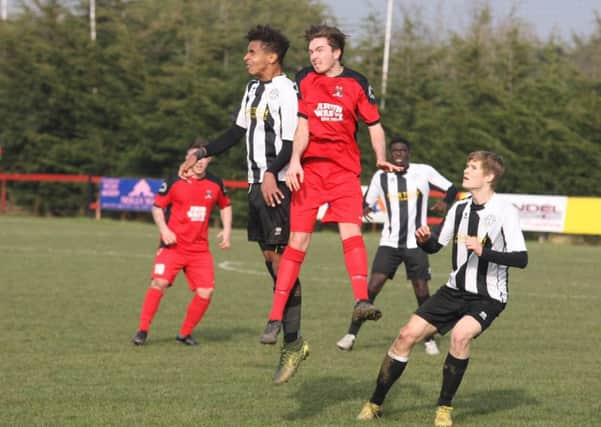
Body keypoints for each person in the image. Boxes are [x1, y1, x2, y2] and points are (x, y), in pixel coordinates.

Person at [261, 24, 402, 385]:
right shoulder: (305, 78)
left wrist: (381, 158)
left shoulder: (356, 83)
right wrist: (294, 161)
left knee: (350, 233)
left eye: (320, 50)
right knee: (298, 243)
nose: (314, 56)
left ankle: (360, 301)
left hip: (343, 174)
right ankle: (275, 317)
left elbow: (374, 126)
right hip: (310, 172)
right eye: (311, 51)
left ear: (337, 52)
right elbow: (303, 124)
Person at [356, 151, 528, 426]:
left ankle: (444, 409)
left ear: (489, 176)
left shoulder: (504, 211)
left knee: (460, 336)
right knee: (405, 336)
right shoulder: (459, 207)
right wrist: (424, 241)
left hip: (488, 296)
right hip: (453, 290)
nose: (466, 170)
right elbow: (437, 246)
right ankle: (375, 403)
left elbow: (522, 258)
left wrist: (485, 252)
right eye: (466, 165)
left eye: (473, 167)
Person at [179, 26, 304, 351]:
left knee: (280, 256)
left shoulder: (287, 91)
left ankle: (286, 330)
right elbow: (236, 131)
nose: (245, 57)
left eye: (252, 51)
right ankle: (286, 327)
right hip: (256, 184)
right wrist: (201, 153)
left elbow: (293, 142)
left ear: (271, 56)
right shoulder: (251, 88)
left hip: (277, 185)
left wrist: (272, 173)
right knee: (268, 255)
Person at [336, 136, 458, 355]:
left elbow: (451, 188)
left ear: (408, 152)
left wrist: (445, 202)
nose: (398, 154)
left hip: (417, 244)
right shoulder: (381, 176)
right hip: (389, 243)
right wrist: (363, 209)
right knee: (370, 289)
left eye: (402, 150)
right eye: (394, 151)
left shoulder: (424, 171)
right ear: (391, 154)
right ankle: (351, 335)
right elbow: (367, 202)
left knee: (421, 292)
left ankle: (428, 338)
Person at [131, 138, 232, 346]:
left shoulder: (215, 183)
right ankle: (142, 331)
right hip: (173, 246)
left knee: (206, 292)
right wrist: (164, 230)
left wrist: (227, 229)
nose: (199, 162)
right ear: (188, 159)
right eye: (195, 157)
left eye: (204, 158)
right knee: (160, 282)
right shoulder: (175, 181)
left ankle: (184, 333)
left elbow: (225, 205)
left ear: (209, 159)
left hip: (199, 250)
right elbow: (157, 207)